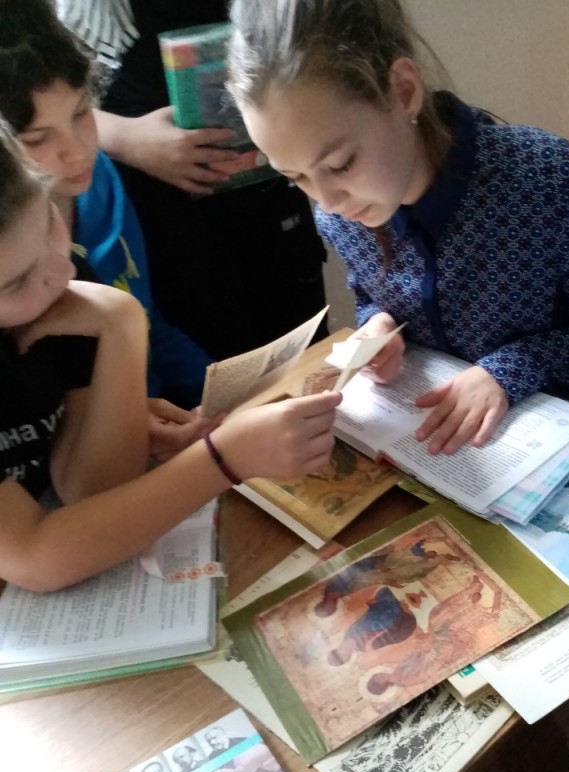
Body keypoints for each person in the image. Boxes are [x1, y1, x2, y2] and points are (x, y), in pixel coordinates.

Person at [226, 0, 569, 456]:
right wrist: (378, 325)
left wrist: (508, 370)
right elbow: (373, 295)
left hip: (537, 441)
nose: (327, 202)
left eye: (340, 164)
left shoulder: (548, 182)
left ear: (404, 91)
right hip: (417, 438)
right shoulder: (341, 216)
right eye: (295, 177)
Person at [0, 119, 340, 593]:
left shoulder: (60, 287)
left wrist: (121, 322)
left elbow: (93, 489)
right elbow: (36, 558)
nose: (61, 273)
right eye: (16, 281)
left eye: (50, 224)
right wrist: (224, 459)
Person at [56, 0, 328, 362]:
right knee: (211, 364)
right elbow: (26, 100)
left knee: (307, 354)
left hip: (268, 187)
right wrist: (125, 138)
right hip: (160, 209)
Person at [0, 2, 214, 459]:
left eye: (82, 113)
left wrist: (223, 397)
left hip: (150, 429)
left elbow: (148, 322)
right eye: (37, 139)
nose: (79, 153)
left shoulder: (101, 184)